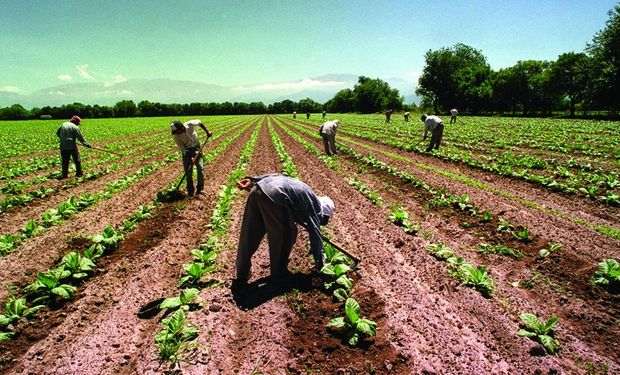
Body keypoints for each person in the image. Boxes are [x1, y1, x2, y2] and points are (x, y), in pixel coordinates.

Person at [234, 174, 335, 287]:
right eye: (324, 219)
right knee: (287, 234)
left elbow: (278, 175)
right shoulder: (314, 205)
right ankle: (279, 274)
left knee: (249, 234)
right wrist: (320, 264)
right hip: (275, 196)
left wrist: (253, 181)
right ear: (324, 212)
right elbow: (315, 234)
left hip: (257, 189)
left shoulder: (303, 192)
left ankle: (242, 273)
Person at [170, 119, 212, 197]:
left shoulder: (189, 124)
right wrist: (191, 157)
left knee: (200, 168)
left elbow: (200, 122)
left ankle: (200, 189)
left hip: (197, 148)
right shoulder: (176, 137)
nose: (177, 133)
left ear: (182, 127)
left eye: (178, 131)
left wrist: (207, 131)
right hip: (187, 151)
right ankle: (190, 191)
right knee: (188, 171)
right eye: (176, 132)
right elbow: (183, 149)